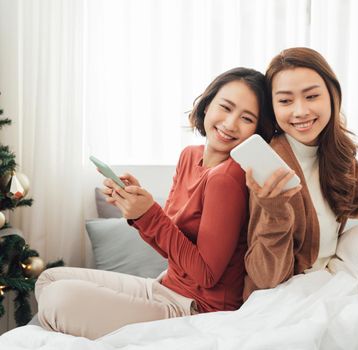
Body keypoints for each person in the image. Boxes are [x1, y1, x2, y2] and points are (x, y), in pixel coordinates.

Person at [35, 67, 273, 340]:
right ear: (207, 105)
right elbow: (170, 248)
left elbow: (206, 275)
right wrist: (138, 211)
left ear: (257, 130)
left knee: (58, 299)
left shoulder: (227, 178)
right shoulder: (189, 156)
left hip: (196, 310)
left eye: (247, 118)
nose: (231, 124)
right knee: (49, 281)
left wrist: (149, 215)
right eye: (226, 107)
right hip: (164, 287)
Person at [243, 47, 358, 300]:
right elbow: (265, 278)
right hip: (288, 292)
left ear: (332, 96)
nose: (300, 111)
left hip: (330, 277)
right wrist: (275, 214)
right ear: (273, 108)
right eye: (285, 101)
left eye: (311, 97)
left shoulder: (334, 154)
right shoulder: (271, 165)